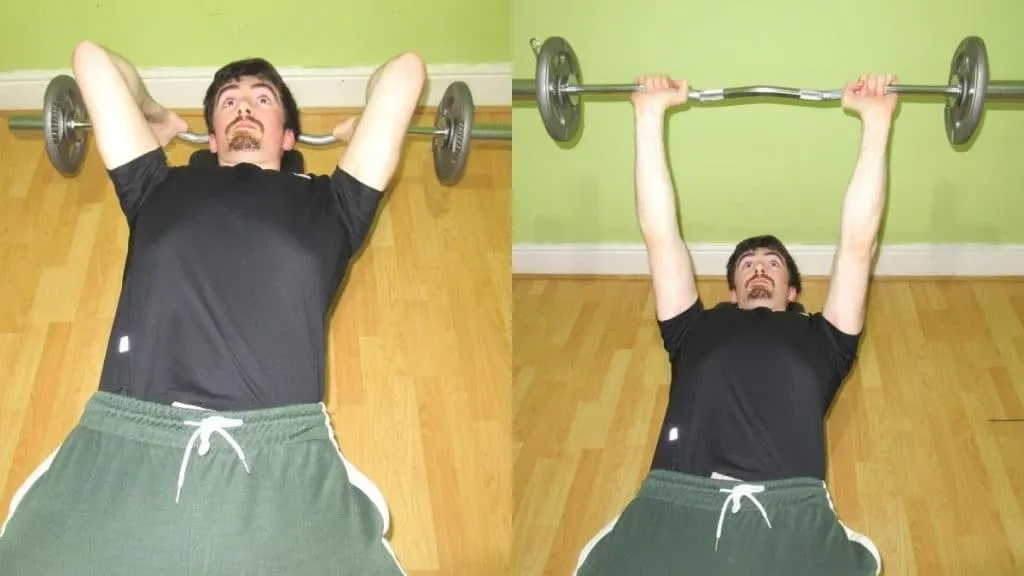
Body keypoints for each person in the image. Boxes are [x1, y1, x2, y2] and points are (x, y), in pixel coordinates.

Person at [0, 40, 425, 575]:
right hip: (128, 440)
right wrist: (151, 117)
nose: (243, 106)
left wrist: (366, 123)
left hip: (282, 458)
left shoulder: (333, 205)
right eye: (228, 101)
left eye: (262, 99)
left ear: (288, 136)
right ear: (212, 136)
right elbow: (90, 60)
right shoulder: (156, 187)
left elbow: (406, 73)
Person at [572, 73, 896, 575]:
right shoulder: (691, 331)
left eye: (771, 262)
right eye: (747, 264)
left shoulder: (827, 340)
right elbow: (661, 236)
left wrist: (877, 123)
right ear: (731, 291)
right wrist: (647, 115)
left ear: (792, 292)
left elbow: (858, 245)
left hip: (787, 514)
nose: (759, 266)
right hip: (677, 503)